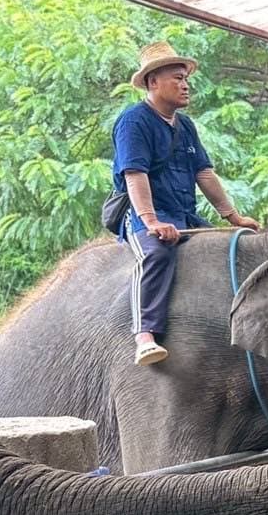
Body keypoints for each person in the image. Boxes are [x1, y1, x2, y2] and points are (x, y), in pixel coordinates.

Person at [111, 41, 259, 366]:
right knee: (157, 253)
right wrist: (150, 221)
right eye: (177, 78)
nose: (185, 84)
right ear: (153, 82)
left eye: (186, 78)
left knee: (231, 245)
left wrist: (233, 217)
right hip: (143, 218)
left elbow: (204, 174)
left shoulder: (185, 126)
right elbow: (135, 175)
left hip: (183, 216)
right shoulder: (134, 122)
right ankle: (145, 335)